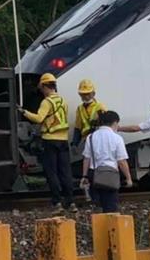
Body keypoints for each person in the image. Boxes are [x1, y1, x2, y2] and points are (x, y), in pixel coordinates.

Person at [18, 72, 75, 211]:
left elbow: (39, 118)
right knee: (65, 172)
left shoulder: (46, 102)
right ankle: (71, 202)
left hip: (50, 140)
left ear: (45, 86)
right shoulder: (63, 101)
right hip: (63, 140)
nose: (41, 91)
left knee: (52, 172)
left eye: (41, 88)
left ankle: (57, 203)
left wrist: (24, 112)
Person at [80, 110, 132, 213]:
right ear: (115, 123)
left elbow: (87, 158)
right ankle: (110, 227)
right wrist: (128, 178)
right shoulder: (117, 138)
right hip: (110, 175)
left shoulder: (90, 137)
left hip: (94, 174)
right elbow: (121, 161)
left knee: (97, 207)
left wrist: (84, 176)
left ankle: (98, 226)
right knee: (111, 207)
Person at [70, 79, 106, 147]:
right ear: (80, 94)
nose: (86, 96)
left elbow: (105, 124)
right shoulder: (80, 108)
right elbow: (78, 127)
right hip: (87, 140)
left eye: (88, 94)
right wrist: (75, 143)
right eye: (83, 94)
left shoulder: (99, 106)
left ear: (93, 94)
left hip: (99, 139)